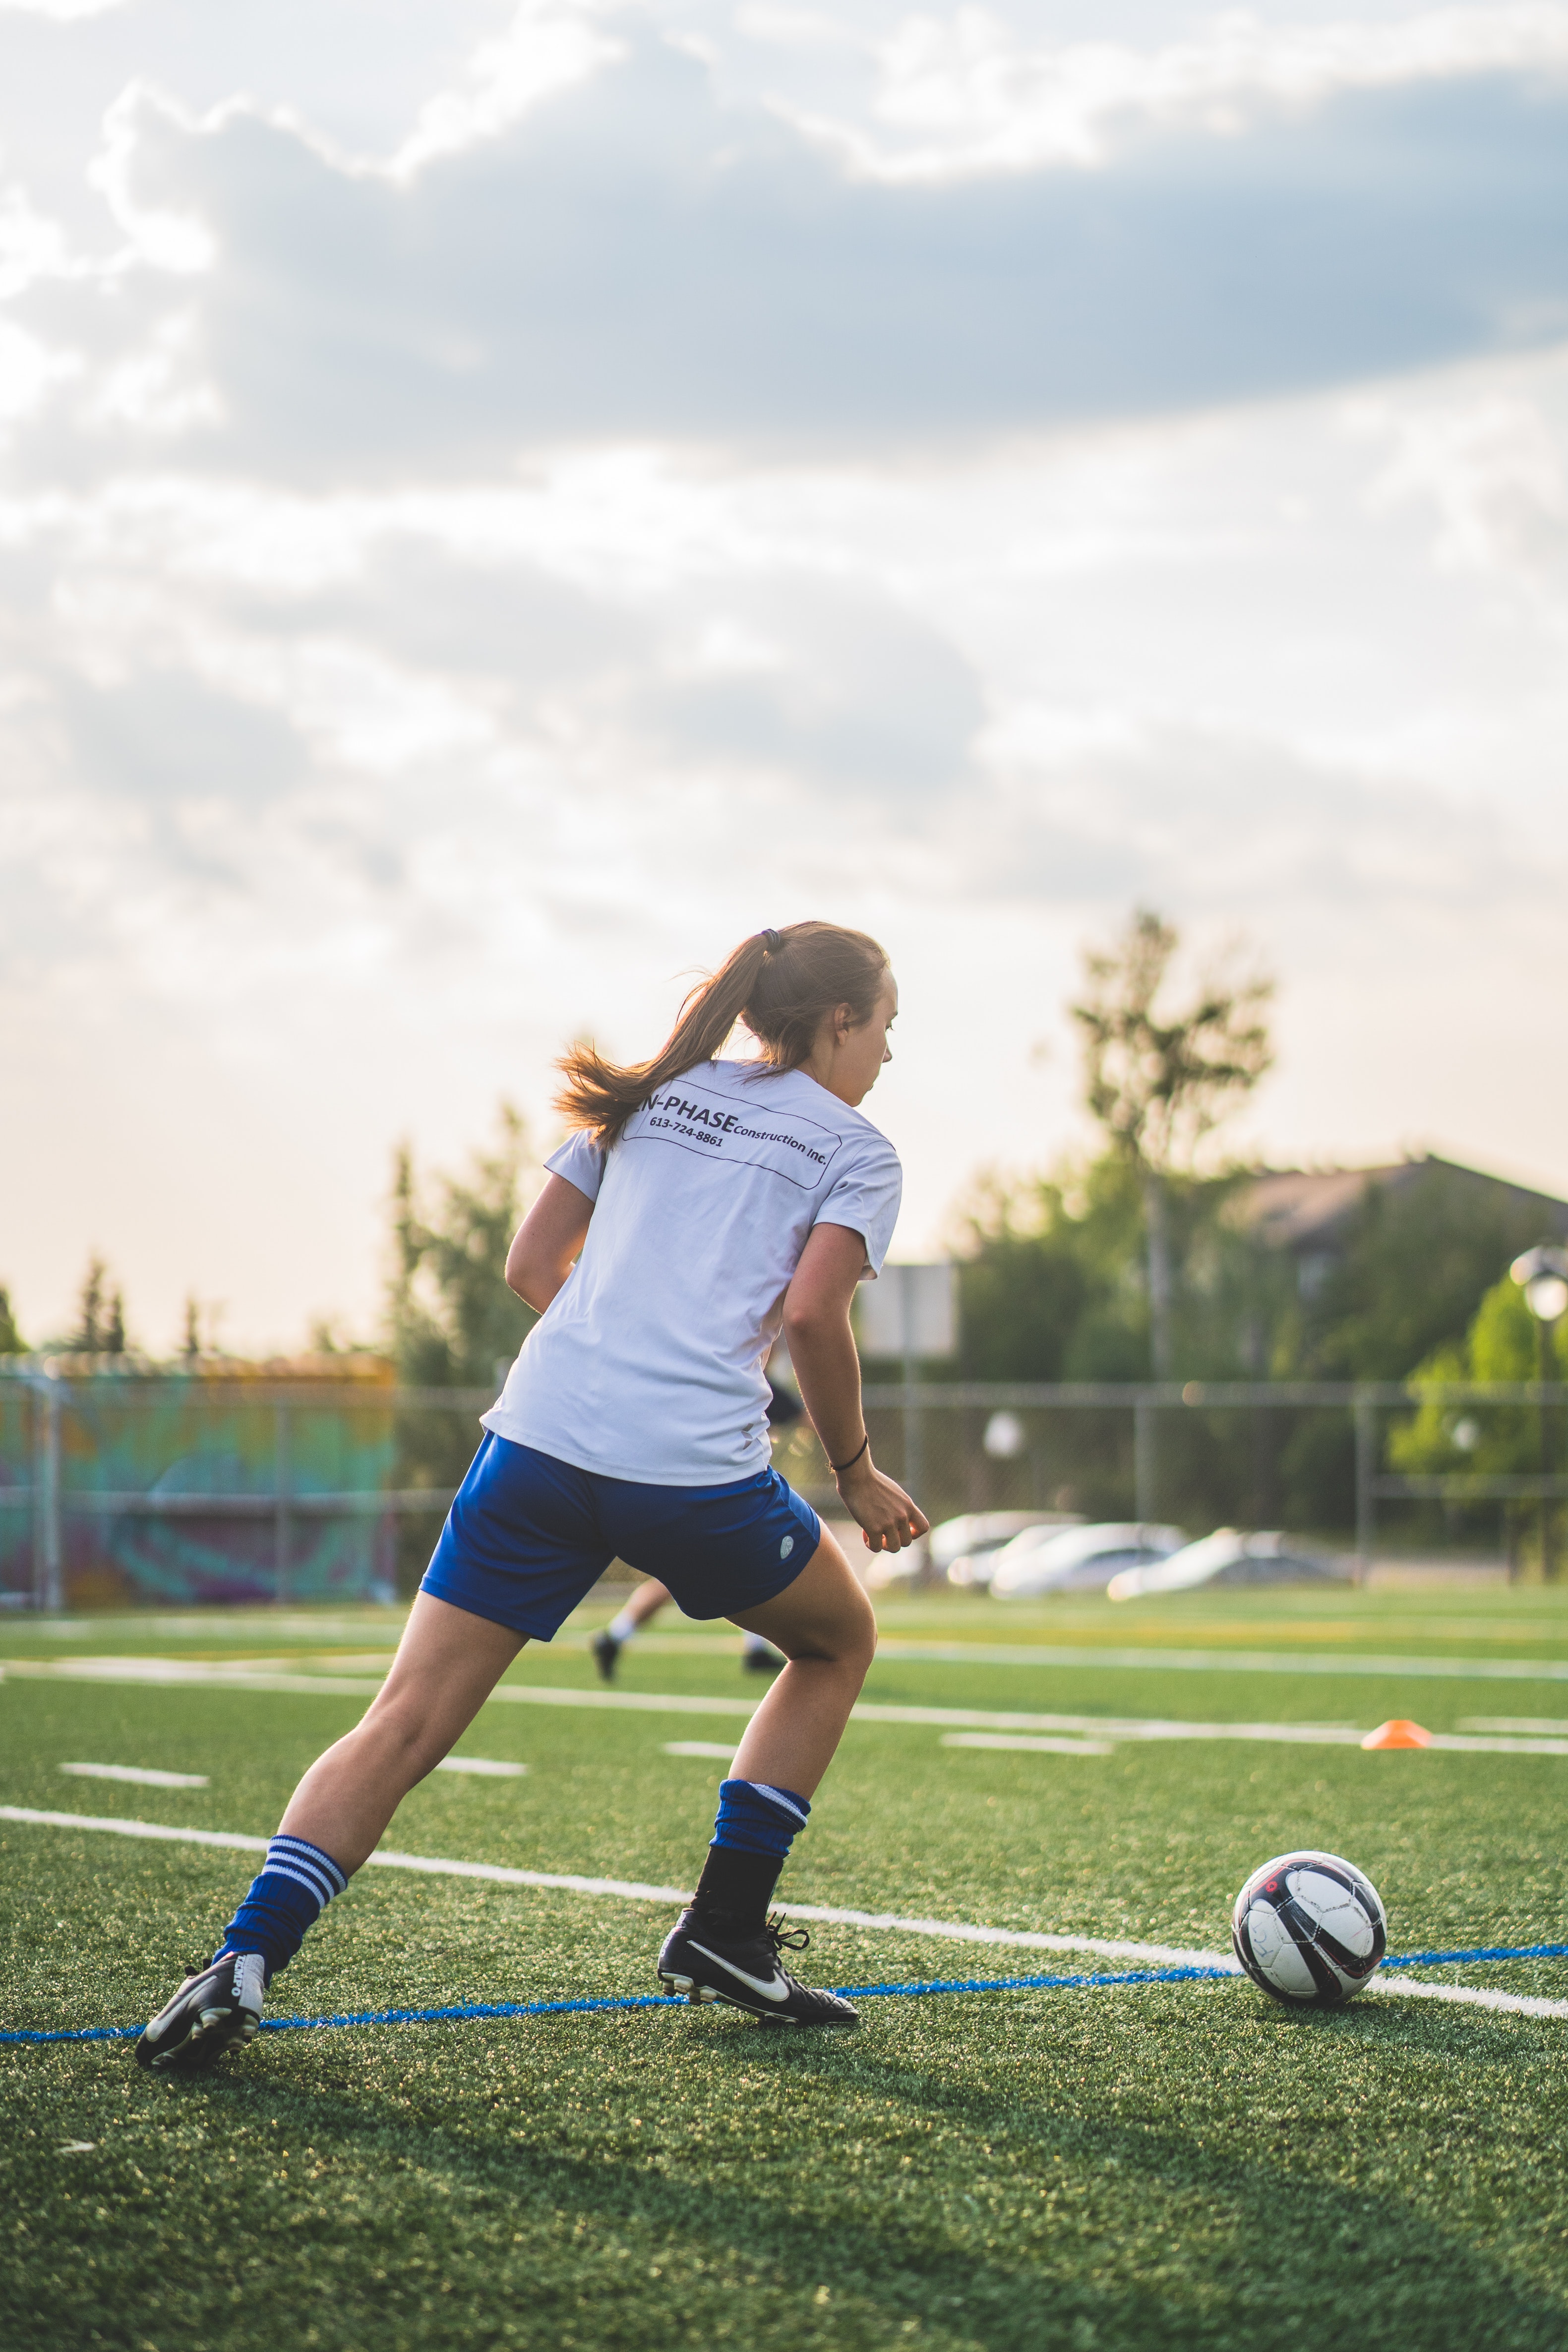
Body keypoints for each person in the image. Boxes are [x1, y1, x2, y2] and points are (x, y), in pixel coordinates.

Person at [136, 920, 927, 2069]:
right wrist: (853, 1470)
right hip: (688, 1474)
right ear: (839, 1020)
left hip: (535, 1445)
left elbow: (527, 1266)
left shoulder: (650, 1089)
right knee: (835, 1638)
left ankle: (242, 1959)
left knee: (399, 1720)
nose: (888, 1056)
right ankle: (720, 1927)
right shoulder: (857, 1145)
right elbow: (811, 1315)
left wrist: (610, 1360)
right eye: (885, 1028)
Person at [593, 1370, 801, 1680]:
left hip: (683, 1487)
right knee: (696, 1571)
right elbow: (801, 1415)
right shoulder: (735, 1372)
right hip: (707, 1492)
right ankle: (615, 1636)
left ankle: (617, 1636)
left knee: (726, 1566)